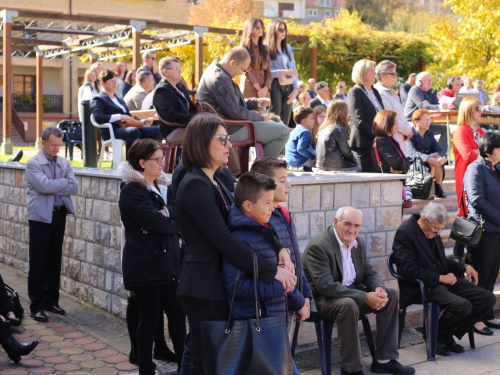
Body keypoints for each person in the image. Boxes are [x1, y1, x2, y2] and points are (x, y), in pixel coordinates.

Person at [174, 114, 296, 374]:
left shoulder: (220, 178)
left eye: (228, 139)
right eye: (222, 139)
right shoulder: (195, 184)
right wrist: (270, 270)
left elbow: (244, 218)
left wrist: (279, 247)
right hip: (202, 286)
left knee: (206, 356)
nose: (229, 145)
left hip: (216, 283)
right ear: (201, 142)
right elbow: (223, 240)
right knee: (203, 362)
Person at [302, 206, 415, 375]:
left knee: (390, 295)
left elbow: (368, 270)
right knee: (347, 305)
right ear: (336, 222)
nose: (352, 229)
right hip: (323, 299)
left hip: (351, 293)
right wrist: (364, 296)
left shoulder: (357, 242)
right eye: (348, 224)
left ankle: (384, 361)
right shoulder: (318, 246)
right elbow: (326, 286)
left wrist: (378, 288)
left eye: (357, 225)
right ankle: (351, 369)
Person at [223, 171, 304, 375]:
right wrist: (282, 285)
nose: (272, 207)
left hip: (272, 323)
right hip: (256, 325)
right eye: (267, 202)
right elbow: (236, 285)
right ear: (248, 205)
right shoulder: (239, 239)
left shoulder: (263, 230)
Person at [392, 202, 496, 356]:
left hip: (441, 281)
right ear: (425, 220)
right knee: (463, 305)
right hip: (422, 285)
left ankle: (442, 334)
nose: (439, 233)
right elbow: (408, 270)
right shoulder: (405, 232)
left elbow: (442, 260)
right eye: (436, 229)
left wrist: (463, 267)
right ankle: (438, 336)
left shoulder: (432, 230)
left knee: (487, 298)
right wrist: (440, 278)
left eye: (441, 229)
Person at [118, 139, 185, 375]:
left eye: (161, 158)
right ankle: (146, 368)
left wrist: (167, 215)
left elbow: (178, 214)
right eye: (157, 159)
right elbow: (154, 222)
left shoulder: (161, 186)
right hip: (145, 265)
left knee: (177, 315)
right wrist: (166, 221)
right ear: (142, 162)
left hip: (167, 264)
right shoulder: (131, 190)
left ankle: (184, 366)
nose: (161, 163)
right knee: (149, 319)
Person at [250, 158, 313, 339]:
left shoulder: (281, 213)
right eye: (282, 180)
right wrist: (298, 300)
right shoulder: (264, 219)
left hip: (290, 304)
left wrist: (306, 294)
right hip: (275, 307)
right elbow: (277, 269)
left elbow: (295, 261)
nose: (289, 185)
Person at [196, 47, 290, 158]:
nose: (242, 73)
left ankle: (261, 166)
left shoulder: (213, 71)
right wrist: (261, 117)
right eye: (242, 69)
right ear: (233, 63)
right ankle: (263, 170)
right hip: (230, 128)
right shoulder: (221, 79)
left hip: (222, 125)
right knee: (283, 131)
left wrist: (255, 102)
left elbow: (230, 104)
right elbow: (236, 112)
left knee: (275, 126)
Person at [26, 127, 79, 322]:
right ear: (43, 143)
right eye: (53, 145)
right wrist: (62, 182)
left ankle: (51, 301)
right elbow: (43, 186)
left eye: (59, 145)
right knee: (39, 262)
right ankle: (36, 305)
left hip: (59, 215)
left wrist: (56, 184)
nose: (57, 149)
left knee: (54, 260)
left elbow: (74, 187)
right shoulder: (33, 164)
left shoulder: (64, 162)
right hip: (40, 217)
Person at [463, 132, 500, 335]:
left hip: (497, 231)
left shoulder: (496, 169)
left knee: (492, 274)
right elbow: (477, 200)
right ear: (489, 151)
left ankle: (487, 314)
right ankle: (474, 318)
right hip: (484, 230)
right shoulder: (475, 168)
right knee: (480, 275)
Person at [90, 69, 161, 153]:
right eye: (112, 81)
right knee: (133, 131)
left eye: (115, 81)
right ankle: (130, 163)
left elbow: (129, 117)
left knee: (155, 130)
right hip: (112, 130)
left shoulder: (119, 99)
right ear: (102, 83)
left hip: (128, 127)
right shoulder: (98, 99)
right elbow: (98, 117)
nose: (115, 83)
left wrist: (142, 121)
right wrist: (120, 116)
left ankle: (155, 160)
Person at [452, 97, 485, 259]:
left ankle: (466, 251)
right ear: (469, 110)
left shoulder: (480, 132)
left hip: (482, 177)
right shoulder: (460, 131)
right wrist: (485, 154)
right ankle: (460, 252)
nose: (481, 111)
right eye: (478, 108)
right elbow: (468, 155)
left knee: (473, 214)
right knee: (466, 213)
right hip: (466, 177)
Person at [347, 58, 384, 172]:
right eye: (371, 70)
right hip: (363, 146)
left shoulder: (375, 91)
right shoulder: (355, 92)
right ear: (362, 73)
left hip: (377, 144)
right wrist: (378, 135)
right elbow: (359, 122)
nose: (375, 73)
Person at [404, 71, 449, 153]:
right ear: (419, 82)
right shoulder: (415, 90)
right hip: (412, 122)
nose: (429, 83)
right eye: (426, 81)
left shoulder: (431, 91)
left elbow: (436, 104)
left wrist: (438, 105)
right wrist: (437, 106)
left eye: (430, 80)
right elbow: (422, 106)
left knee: (445, 129)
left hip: (425, 122)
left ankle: (441, 155)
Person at [374, 60, 413, 155]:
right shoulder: (380, 92)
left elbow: (401, 116)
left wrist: (408, 128)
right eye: (392, 74)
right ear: (382, 75)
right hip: (393, 139)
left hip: (400, 137)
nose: (395, 77)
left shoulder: (391, 92)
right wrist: (407, 130)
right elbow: (390, 118)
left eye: (395, 74)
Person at [153, 55, 197, 138]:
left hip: (187, 125)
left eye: (180, 68)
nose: (180, 71)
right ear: (166, 72)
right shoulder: (162, 90)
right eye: (176, 69)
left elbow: (191, 109)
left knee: (213, 125)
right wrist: (195, 118)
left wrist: (203, 116)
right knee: (208, 131)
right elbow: (170, 116)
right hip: (174, 129)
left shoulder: (180, 87)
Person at [266, 19, 299, 126]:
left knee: (285, 119)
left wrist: (295, 89)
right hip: (275, 84)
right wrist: (282, 72)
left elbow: (293, 68)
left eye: (285, 29)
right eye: (280, 30)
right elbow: (266, 72)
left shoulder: (288, 48)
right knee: (275, 119)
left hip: (288, 85)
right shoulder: (266, 48)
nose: (283, 32)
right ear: (273, 31)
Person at [407, 109, 447, 198]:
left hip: (428, 162)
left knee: (437, 160)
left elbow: (438, 149)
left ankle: (437, 184)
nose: (428, 122)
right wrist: (428, 158)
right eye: (426, 120)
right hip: (415, 163)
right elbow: (411, 153)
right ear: (416, 122)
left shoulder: (429, 133)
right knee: (432, 161)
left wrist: (443, 157)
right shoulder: (410, 134)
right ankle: (431, 186)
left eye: (429, 119)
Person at [316, 100, 360, 172]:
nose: (348, 114)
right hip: (334, 166)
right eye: (347, 111)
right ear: (341, 113)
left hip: (320, 165)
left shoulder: (323, 128)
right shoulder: (339, 129)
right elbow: (346, 152)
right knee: (358, 167)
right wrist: (355, 161)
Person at [239, 17, 272, 100]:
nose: (260, 29)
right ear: (250, 28)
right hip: (250, 88)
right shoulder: (244, 48)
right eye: (257, 27)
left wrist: (266, 88)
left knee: (264, 113)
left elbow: (269, 72)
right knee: (250, 112)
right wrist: (259, 89)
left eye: (261, 26)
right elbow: (248, 71)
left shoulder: (265, 49)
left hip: (264, 89)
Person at [371, 109, 409, 174]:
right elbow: (398, 164)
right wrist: (403, 165)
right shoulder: (381, 141)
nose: (397, 124)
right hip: (385, 181)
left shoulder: (391, 140)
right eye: (394, 121)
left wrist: (403, 168)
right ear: (386, 123)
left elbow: (404, 163)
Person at [285, 106, 316, 171]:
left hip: (291, 163)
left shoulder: (294, 131)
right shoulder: (305, 132)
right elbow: (301, 148)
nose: (314, 121)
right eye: (312, 119)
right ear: (304, 121)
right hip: (301, 162)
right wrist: (313, 158)